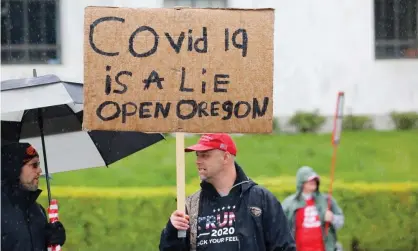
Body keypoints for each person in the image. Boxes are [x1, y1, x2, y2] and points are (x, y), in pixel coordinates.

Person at [159, 133, 296, 251]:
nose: (198, 161)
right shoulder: (191, 205)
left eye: (205, 155)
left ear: (225, 157)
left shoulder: (261, 199)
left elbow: (284, 247)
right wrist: (172, 231)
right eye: (197, 155)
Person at [1, 142, 66, 251]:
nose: (40, 170)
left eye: (39, 165)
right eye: (34, 165)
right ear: (15, 169)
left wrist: (54, 239)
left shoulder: (38, 210)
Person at [281, 166, 344, 251]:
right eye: (310, 180)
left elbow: (340, 221)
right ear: (301, 182)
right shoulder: (289, 203)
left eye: (315, 180)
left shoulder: (326, 200)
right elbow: (279, 228)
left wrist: (332, 218)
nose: (313, 182)